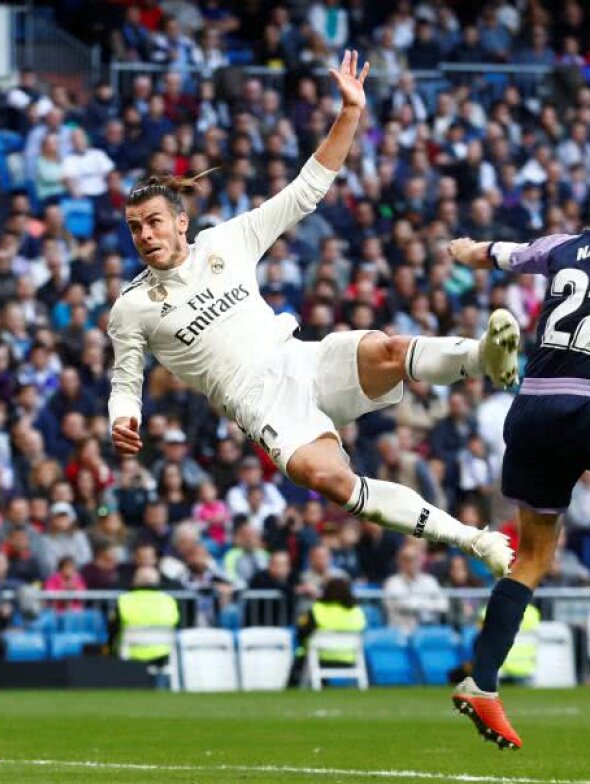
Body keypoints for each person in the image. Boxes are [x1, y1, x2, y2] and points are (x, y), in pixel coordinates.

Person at [107, 51, 516, 579]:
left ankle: (488, 358)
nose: (145, 236)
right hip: (261, 404)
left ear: (181, 222)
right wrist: (123, 416)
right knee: (330, 481)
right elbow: (125, 379)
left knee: (386, 349)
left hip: (300, 358)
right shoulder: (132, 307)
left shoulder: (226, 241)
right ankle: (474, 538)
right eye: (135, 228)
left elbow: (306, 190)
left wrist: (350, 112)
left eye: (154, 222)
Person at [446, 176, 590, 749]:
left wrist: (461, 248)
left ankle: (482, 683)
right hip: (581, 402)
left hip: (529, 407)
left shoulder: (563, 245)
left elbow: (492, 254)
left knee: (535, 556)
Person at [293, 577, 366, 685]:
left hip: (320, 656)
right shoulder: (357, 611)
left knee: (299, 656)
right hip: (349, 657)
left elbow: (302, 633)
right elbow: (362, 630)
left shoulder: (317, 609)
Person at [109, 565, 179, 665]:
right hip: (164, 655)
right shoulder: (169, 600)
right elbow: (178, 626)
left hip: (130, 656)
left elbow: (113, 629)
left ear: (135, 581)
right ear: (157, 581)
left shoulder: (124, 600)